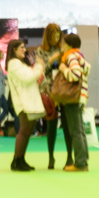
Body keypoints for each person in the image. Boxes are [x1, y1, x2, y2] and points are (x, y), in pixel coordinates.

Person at [52, 32, 89, 171]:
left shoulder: (71, 57)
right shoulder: (79, 56)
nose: (62, 45)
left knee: (76, 132)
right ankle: (83, 160)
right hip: (80, 96)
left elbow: (75, 75)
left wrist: (63, 68)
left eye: (64, 43)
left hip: (73, 97)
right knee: (80, 131)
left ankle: (80, 163)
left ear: (69, 45)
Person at [7, 44, 45, 170]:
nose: (25, 50)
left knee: (28, 131)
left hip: (29, 101)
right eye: (22, 47)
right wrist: (39, 67)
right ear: (14, 49)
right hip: (24, 102)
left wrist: (37, 70)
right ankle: (17, 160)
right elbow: (27, 78)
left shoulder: (20, 64)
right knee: (24, 131)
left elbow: (30, 77)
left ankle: (20, 159)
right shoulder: (14, 63)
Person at [36, 23, 65, 168]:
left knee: (67, 125)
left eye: (58, 36)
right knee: (51, 125)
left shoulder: (62, 50)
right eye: (54, 36)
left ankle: (70, 158)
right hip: (48, 92)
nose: (57, 39)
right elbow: (40, 71)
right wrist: (51, 60)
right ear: (48, 36)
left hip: (63, 90)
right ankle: (51, 157)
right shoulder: (40, 51)